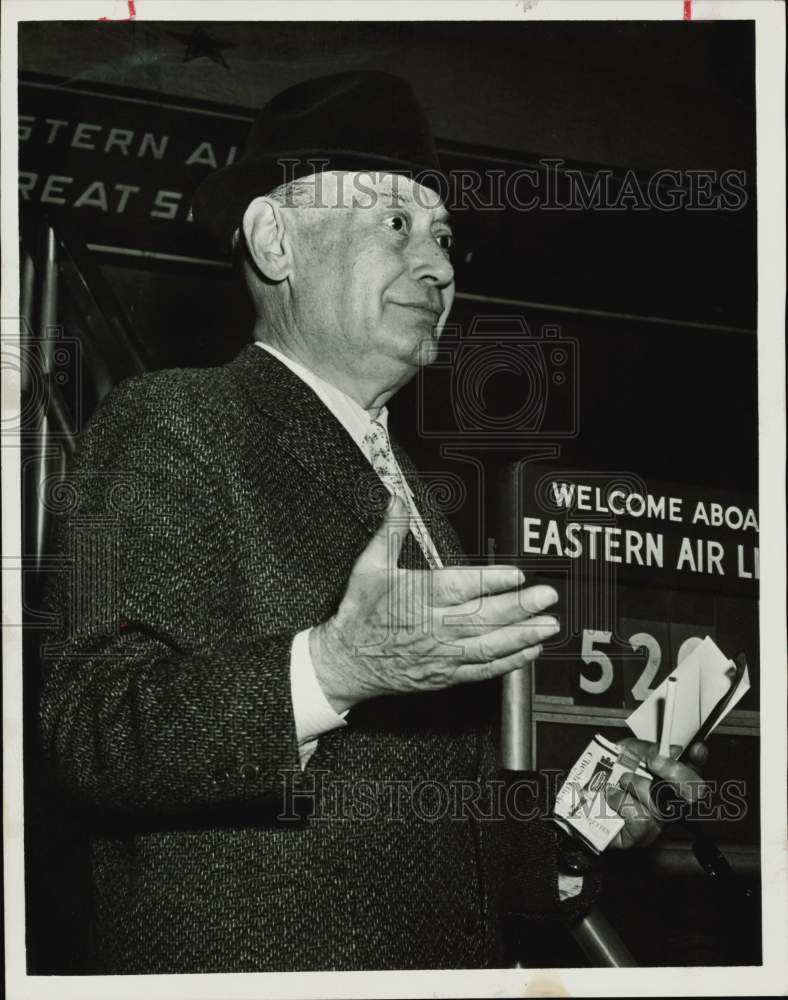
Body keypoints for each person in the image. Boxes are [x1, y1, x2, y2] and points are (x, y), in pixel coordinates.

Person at [39, 71, 707, 974]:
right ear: (276, 240)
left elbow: (446, 842)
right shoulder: (171, 425)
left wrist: (588, 818)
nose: (438, 266)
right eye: (395, 224)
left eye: (442, 238)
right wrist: (334, 666)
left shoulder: (424, 503)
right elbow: (90, 732)